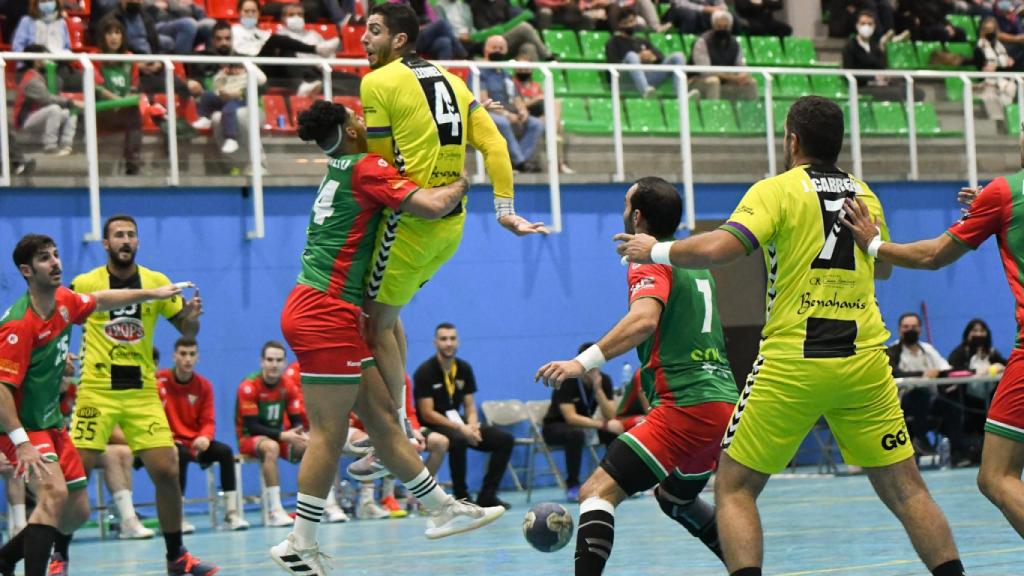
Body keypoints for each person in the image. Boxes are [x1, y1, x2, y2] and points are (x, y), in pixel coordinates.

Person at [617, 95, 966, 576]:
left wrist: (657, 248)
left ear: (792, 140)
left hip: (793, 361)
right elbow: (881, 267)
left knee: (735, 489)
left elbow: (721, 249)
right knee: (908, 490)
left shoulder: (775, 190)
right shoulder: (863, 193)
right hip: (863, 360)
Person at [269, 100, 504, 576]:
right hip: (324, 312)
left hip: (327, 309)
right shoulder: (365, 167)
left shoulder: (341, 167)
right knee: (328, 436)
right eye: (356, 117)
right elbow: (436, 204)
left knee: (381, 420)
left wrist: (463, 111)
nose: (363, 120)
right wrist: (466, 174)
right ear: (350, 130)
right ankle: (299, 541)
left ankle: (440, 509)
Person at [354, 2, 545, 481]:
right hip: (452, 227)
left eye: (373, 31)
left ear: (399, 40)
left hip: (411, 223)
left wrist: (345, 138)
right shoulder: (455, 80)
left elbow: (379, 166)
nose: (363, 39)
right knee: (387, 317)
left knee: (371, 324)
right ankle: (399, 430)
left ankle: (393, 439)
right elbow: (497, 145)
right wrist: (505, 211)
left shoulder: (377, 82)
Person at [538, 177, 738, 575]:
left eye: (626, 204)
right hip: (725, 404)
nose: (623, 210)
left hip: (687, 404)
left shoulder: (649, 259)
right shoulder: (693, 262)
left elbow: (643, 321)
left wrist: (584, 361)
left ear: (637, 216)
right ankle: (742, 565)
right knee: (675, 499)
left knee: (597, 492)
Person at [841, 122, 1024, 540]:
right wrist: (995, 208)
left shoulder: (1006, 191)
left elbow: (933, 256)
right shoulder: (1002, 198)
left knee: (996, 476)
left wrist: (872, 244)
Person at [0, 234, 185, 576]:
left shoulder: (65, 302)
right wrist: (21, 443)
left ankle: (6, 557)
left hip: (52, 423)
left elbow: (100, 300)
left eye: (56, 255)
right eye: (44, 258)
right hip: (25, 427)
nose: (55, 262)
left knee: (76, 513)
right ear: (27, 270)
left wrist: (153, 293)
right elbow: (1, 390)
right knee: (53, 495)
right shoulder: (18, 324)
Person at [58, 214, 217, 576]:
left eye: (131, 235)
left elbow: (187, 332)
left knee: (166, 470)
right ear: (105, 244)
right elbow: (59, 319)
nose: (125, 240)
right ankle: (59, 556)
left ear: (138, 242)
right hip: (96, 391)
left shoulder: (157, 282)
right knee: (76, 472)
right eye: (118, 235)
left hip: (141, 391)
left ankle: (177, 557)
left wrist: (191, 317)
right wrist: (60, 355)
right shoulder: (86, 282)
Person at [413, 323, 513, 509]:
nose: (448, 343)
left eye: (452, 338)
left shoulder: (464, 368)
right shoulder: (425, 371)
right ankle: (462, 496)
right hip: (431, 424)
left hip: (458, 421)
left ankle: (487, 495)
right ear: (435, 342)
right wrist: (462, 429)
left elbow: (469, 406)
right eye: (443, 339)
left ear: (458, 342)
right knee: (458, 440)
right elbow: (427, 412)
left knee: (504, 439)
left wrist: (473, 426)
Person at [157, 337, 249, 532]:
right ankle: (177, 517)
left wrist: (205, 437)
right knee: (179, 455)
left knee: (225, 452)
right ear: (174, 356)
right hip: (170, 442)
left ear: (197, 357)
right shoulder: (160, 381)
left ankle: (230, 514)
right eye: (183, 354)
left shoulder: (204, 386)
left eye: (192, 354)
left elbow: (208, 420)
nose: (187, 359)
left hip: (195, 442)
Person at [235, 341, 307, 527]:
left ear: (284, 363)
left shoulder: (288, 385)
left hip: (279, 436)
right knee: (271, 447)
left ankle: (320, 506)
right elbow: (252, 426)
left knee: (312, 447)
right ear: (262, 362)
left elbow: (297, 419)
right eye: (270, 359)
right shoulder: (249, 386)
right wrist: (284, 436)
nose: (274, 364)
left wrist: (299, 433)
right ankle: (275, 510)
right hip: (249, 438)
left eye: (278, 360)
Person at [541, 342, 622, 501]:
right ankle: (572, 485)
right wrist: (603, 424)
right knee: (575, 435)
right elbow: (571, 418)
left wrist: (598, 390)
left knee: (614, 433)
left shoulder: (604, 380)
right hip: (556, 426)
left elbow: (611, 415)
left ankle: (615, 481)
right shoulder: (567, 380)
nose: (594, 367)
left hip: (586, 425)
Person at [479, 36, 544, 173]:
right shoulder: (479, 72)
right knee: (503, 122)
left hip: (511, 113)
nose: (497, 51)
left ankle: (516, 162)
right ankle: (520, 163)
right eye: (494, 48)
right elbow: (484, 101)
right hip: (489, 113)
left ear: (506, 51)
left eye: (501, 48)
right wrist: (507, 114)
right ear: (486, 49)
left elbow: (516, 98)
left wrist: (522, 111)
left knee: (536, 124)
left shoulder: (505, 74)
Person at [93, 18, 145, 176]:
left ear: (122, 36)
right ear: (103, 37)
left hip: (123, 109)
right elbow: (98, 88)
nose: (114, 37)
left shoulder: (130, 58)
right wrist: (115, 101)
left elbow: (134, 87)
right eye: (109, 33)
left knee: (135, 113)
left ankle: (132, 162)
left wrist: (123, 101)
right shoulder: (95, 57)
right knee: (131, 111)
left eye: (117, 32)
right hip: (101, 110)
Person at [12, 45, 81, 156]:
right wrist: (71, 102)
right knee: (54, 109)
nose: (47, 60)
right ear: (36, 60)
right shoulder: (31, 78)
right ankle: (50, 146)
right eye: (44, 56)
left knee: (71, 112)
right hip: (26, 120)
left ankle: (66, 145)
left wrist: (71, 105)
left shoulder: (41, 76)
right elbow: (46, 98)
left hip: (40, 116)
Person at [511, 54, 574, 174]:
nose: (524, 71)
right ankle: (560, 163)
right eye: (521, 69)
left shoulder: (535, 85)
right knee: (554, 126)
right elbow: (518, 105)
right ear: (515, 69)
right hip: (523, 114)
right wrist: (536, 99)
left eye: (527, 69)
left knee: (557, 113)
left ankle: (559, 161)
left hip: (538, 115)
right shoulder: (513, 84)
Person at [605, 9, 685, 99]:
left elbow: (661, 57)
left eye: (632, 21)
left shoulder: (641, 40)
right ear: (619, 24)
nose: (630, 25)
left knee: (678, 56)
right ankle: (645, 91)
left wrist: (653, 57)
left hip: (647, 77)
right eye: (626, 23)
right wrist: (638, 57)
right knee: (632, 56)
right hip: (624, 81)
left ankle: (681, 95)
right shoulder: (613, 42)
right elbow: (613, 65)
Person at [194, 61, 267, 155]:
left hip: (239, 100)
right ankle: (205, 118)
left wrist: (250, 66)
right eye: (233, 67)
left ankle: (231, 138)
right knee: (207, 96)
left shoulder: (248, 76)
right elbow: (215, 84)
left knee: (228, 110)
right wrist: (222, 73)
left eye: (238, 67)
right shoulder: (226, 76)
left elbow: (262, 80)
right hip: (224, 98)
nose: (235, 70)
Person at [689, 11, 757, 101]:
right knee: (713, 81)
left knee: (751, 82)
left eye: (725, 27)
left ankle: (751, 112)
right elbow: (706, 71)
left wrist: (743, 75)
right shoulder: (702, 42)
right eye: (719, 27)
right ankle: (712, 113)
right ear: (713, 26)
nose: (722, 30)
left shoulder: (735, 43)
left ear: (730, 27)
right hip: (697, 80)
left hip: (726, 80)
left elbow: (741, 64)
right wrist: (732, 78)